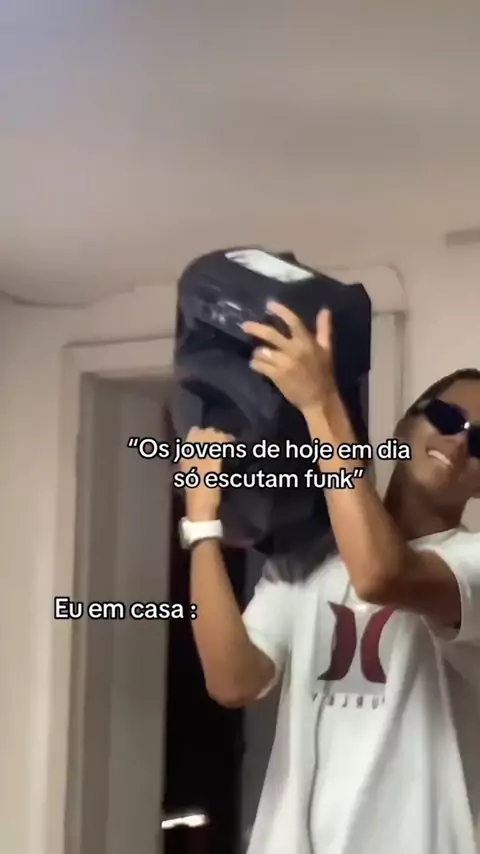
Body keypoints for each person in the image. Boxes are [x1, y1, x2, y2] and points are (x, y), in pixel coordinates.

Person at [182, 300, 480, 854]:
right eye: (446, 419)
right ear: (405, 425)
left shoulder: (473, 563)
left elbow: (382, 576)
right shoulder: (309, 558)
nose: (460, 442)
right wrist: (202, 525)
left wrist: (321, 404)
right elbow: (234, 681)